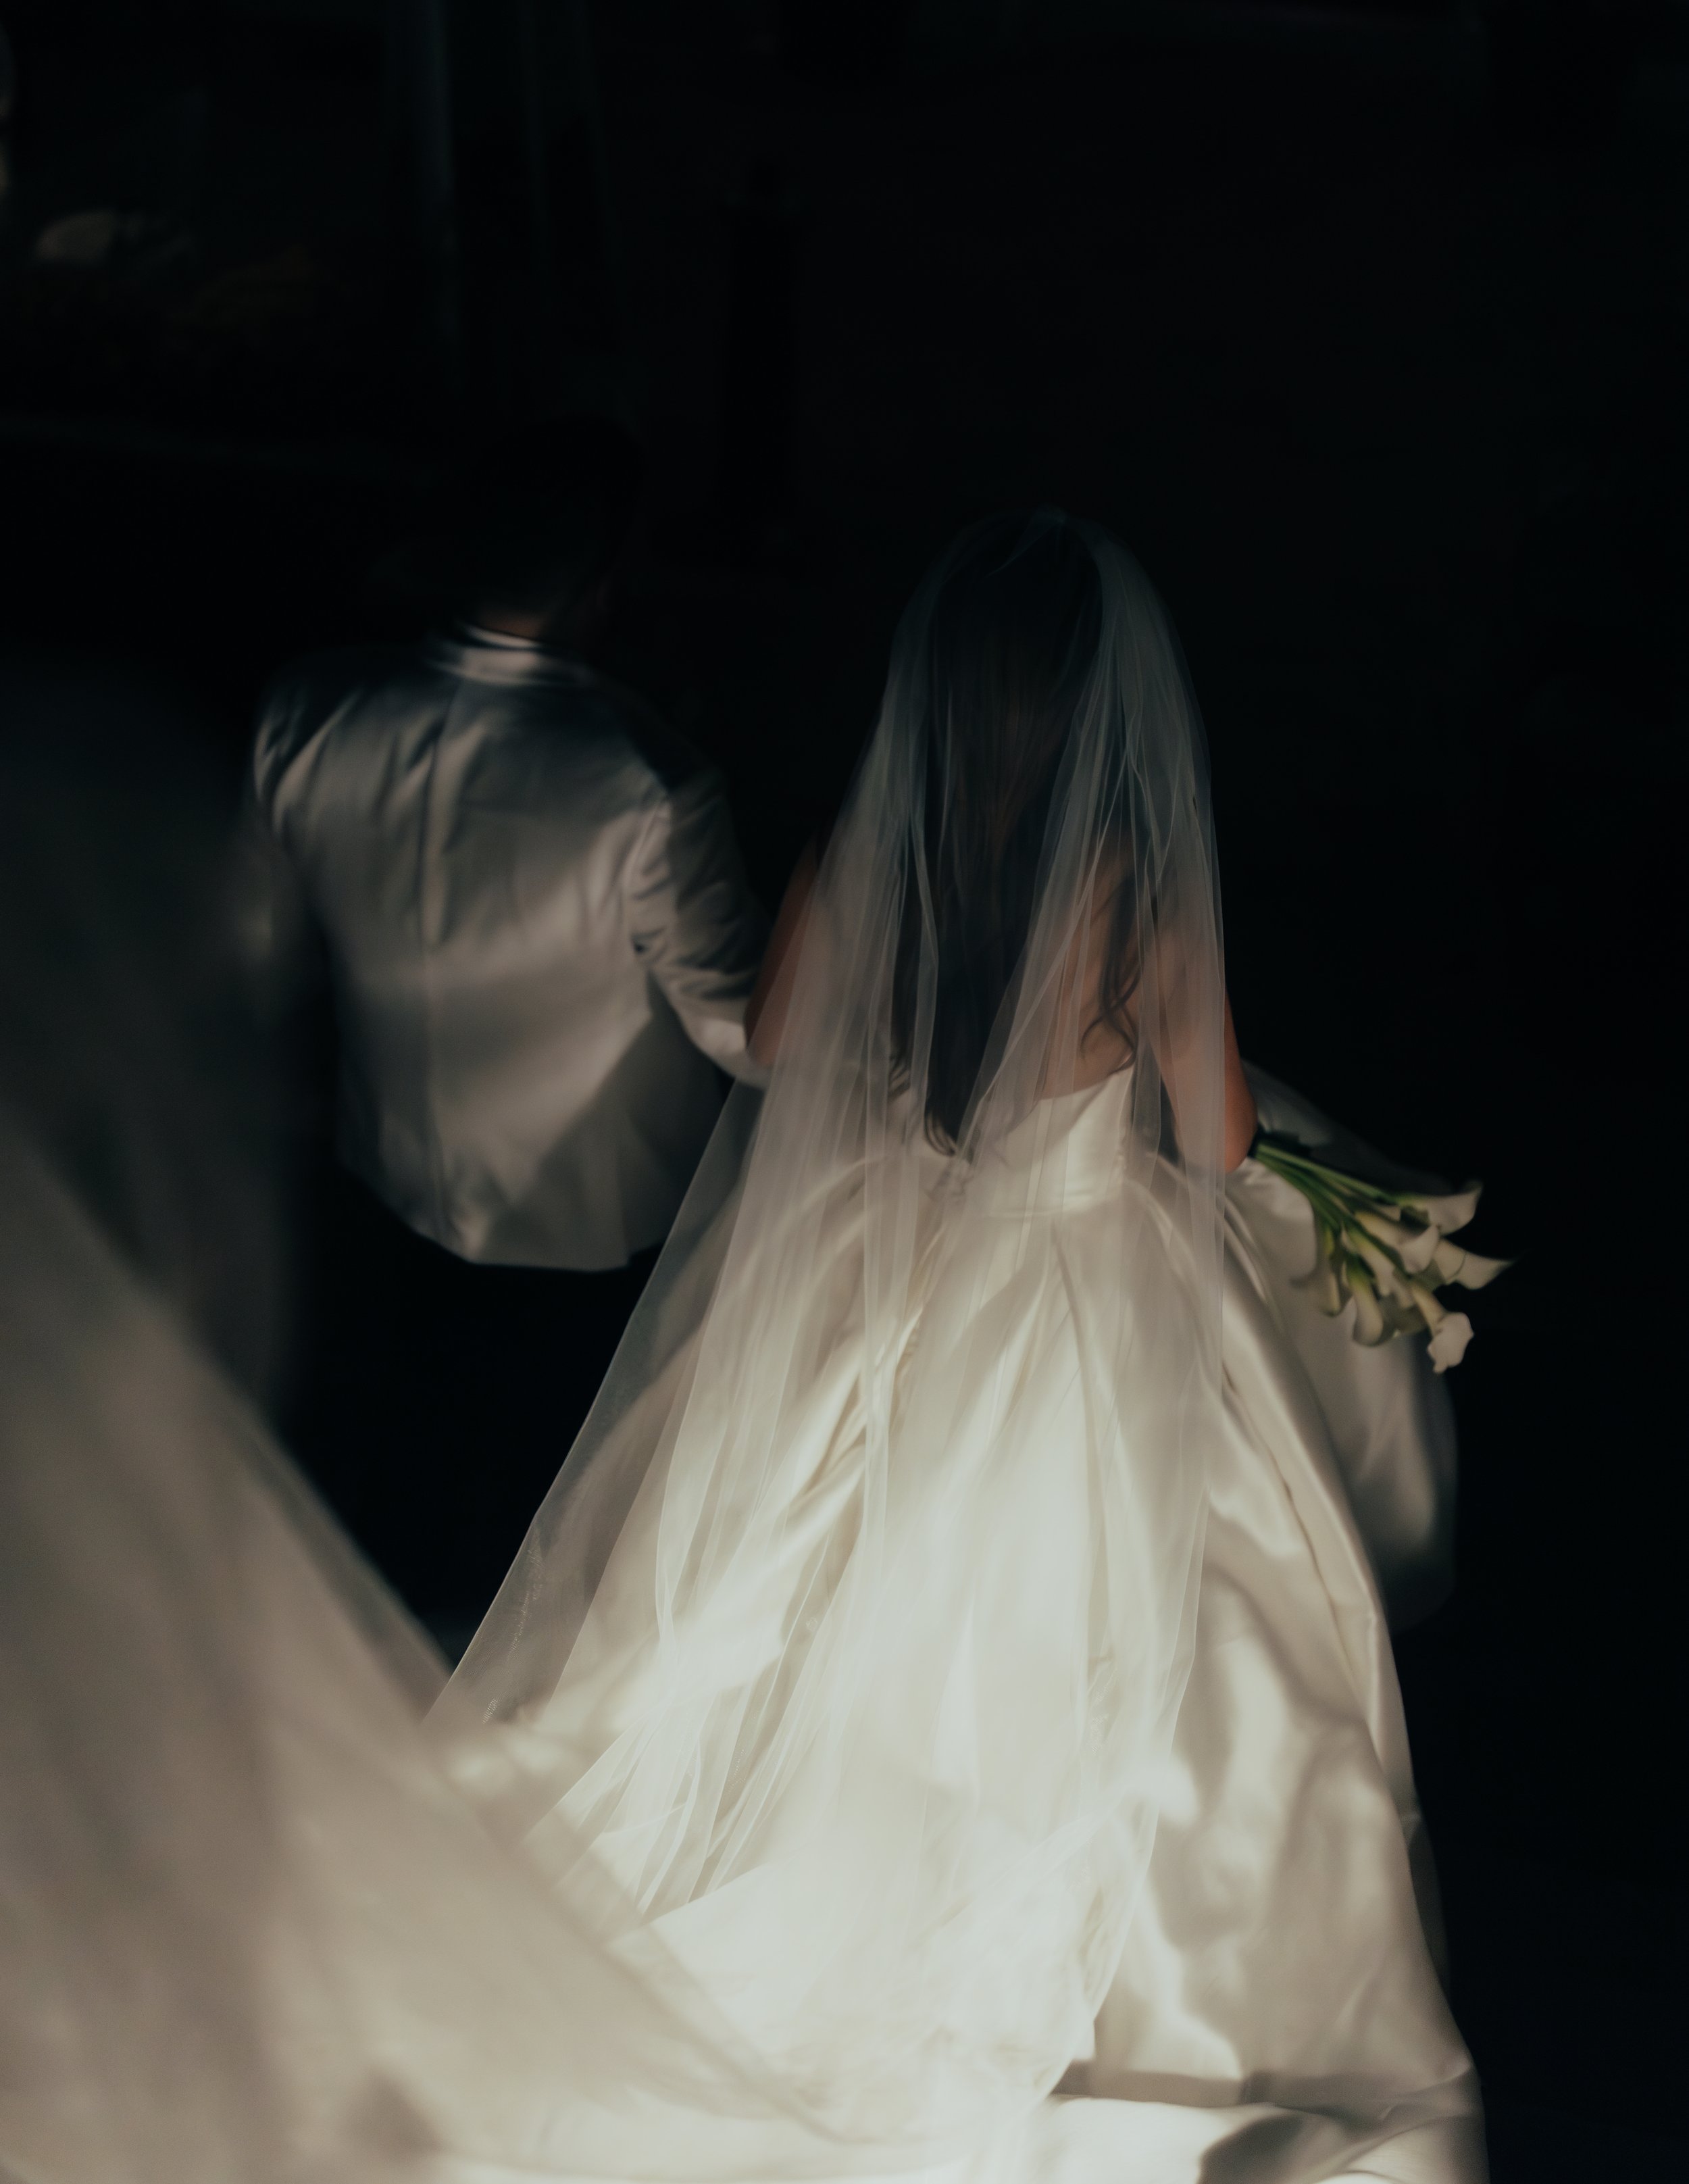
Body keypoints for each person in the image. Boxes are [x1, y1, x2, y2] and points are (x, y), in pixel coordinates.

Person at [1, 512, 1480, 2183]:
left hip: (886, 1256)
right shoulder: (1135, 899)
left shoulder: (868, 847)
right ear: (1107, 713)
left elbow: (778, 1044)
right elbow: (1212, 1146)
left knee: (791, 1580)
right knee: (1087, 1608)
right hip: (1073, 1279)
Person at [244, 417, 767, 1624]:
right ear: (605, 584)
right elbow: (740, 1031)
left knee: (402, 1499)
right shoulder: (648, 781)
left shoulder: (306, 710)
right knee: (541, 1552)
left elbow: (258, 945)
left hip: (390, 1180)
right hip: (590, 1226)